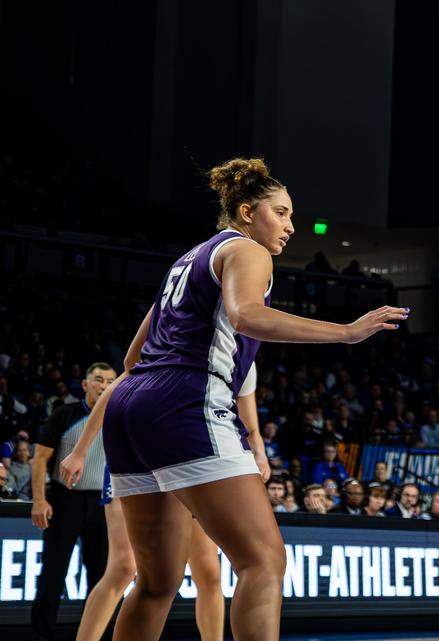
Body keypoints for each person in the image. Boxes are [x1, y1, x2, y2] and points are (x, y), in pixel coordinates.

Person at [63, 158, 407, 641]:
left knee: (157, 582)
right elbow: (246, 315)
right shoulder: (248, 251)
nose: (291, 226)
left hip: (130, 407)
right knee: (263, 560)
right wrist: (347, 332)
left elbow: (133, 355)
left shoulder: (188, 259)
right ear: (247, 212)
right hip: (184, 402)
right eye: (282, 213)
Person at [59, 361, 269, 641]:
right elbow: (120, 384)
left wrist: (259, 453)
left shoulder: (243, 356)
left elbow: (249, 424)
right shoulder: (175, 334)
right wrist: (81, 449)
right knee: (124, 568)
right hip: (141, 454)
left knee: (208, 573)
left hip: (194, 459)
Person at [29, 362, 116, 641]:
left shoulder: (119, 417)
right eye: (98, 380)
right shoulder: (64, 414)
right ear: (86, 384)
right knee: (53, 576)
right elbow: (40, 459)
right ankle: (42, 636)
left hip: (103, 503)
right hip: (64, 500)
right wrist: (39, 501)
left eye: (110, 381)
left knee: (102, 579)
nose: (104, 386)